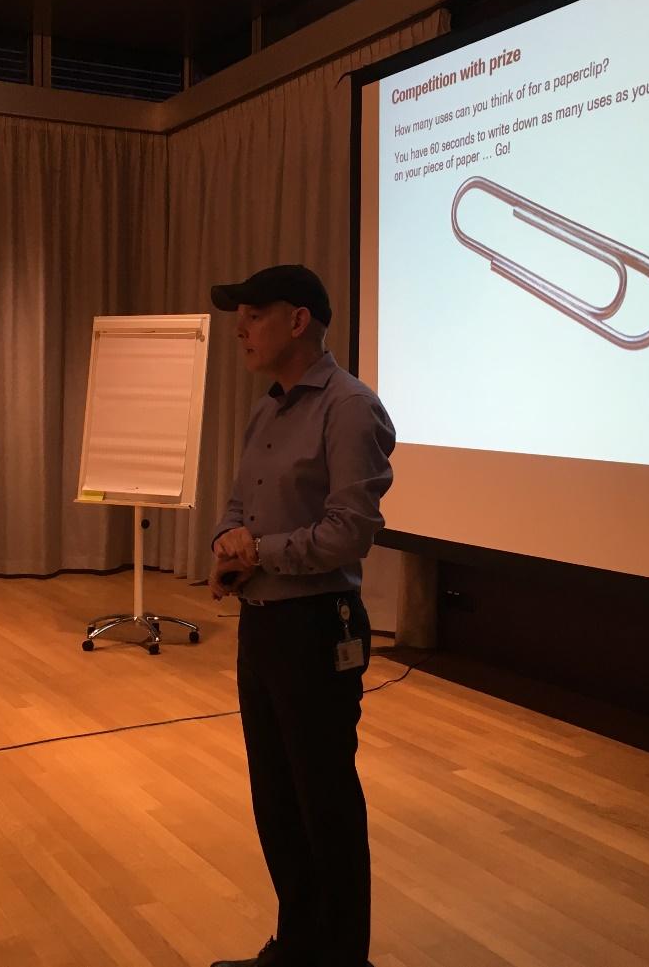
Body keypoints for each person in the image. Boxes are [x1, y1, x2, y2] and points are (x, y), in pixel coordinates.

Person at [206, 265, 395, 967]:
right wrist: (227, 546)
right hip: (262, 625)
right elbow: (238, 505)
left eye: (254, 315)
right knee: (276, 798)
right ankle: (297, 946)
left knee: (324, 801)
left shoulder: (350, 408)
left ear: (298, 320)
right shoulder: (268, 409)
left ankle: (341, 957)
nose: (241, 330)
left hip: (319, 628)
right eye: (239, 317)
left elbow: (350, 532)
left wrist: (260, 550)